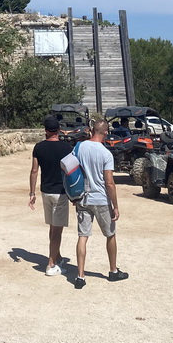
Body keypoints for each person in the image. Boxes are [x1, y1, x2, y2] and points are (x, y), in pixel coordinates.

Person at [73, 119, 128, 289]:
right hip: (100, 199)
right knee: (110, 234)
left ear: (92, 130)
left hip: (83, 197)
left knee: (83, 236)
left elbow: (71, 168)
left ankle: (80, 276)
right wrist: (115, 206)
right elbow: (109, 182)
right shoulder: (106, 154)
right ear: (105, 132)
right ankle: (113, 270)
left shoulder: (79, 147)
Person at [28, 114, 73, 276]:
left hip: (45, 191)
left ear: (46, 130)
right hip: (60, 193)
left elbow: (34, 171)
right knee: (57, 231)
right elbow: (71, 172)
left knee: (52, 227)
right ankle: (51, 264)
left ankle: (57, 255)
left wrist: (32, 192)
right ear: (59, 130)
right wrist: (74, 194)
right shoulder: (66, 148)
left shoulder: (38, 147)